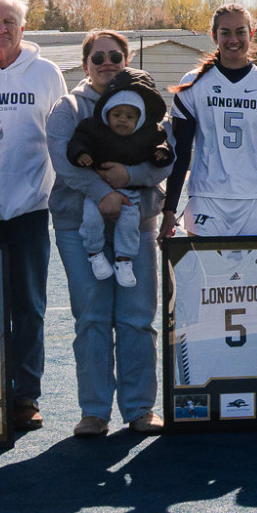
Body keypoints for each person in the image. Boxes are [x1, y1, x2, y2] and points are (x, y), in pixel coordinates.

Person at [48, 31, 174, 437]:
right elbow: (65, 165)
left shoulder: (149, 107)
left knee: (138, 318)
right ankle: (94, 411)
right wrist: (103, 193)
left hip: (136, 226)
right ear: (85, 65)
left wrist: (128, 176)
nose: (107, 62)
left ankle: (140, 408)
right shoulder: (67, 108)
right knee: (92, 319)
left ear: (126, 60)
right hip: (77, 226)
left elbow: (163, 162)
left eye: (115, 56)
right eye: (97, 57)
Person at [0, 0, 66, 431]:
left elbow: (61, 137)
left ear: (23, 27)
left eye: (8, 22)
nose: (0, 30)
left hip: (27, 210)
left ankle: (25, 394)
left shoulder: (45, 73)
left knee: (28, 307)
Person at [162, 4, 257, 239]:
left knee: (256, 275)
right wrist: (169, 210)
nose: (233, 39)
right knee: (205, 275)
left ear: (251, 34)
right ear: (214, 36)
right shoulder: (193, 83)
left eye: (240, 32)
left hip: (253, 198)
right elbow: (181, 151)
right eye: (225, 32)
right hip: (206, 197)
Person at [67, 69, 172, 285]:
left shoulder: (150, 133)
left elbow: (162, 147)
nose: (122, 120)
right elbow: (79, 141)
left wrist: (161, 154)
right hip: (97, 193)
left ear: (140, 118)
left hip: (130, 192)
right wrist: (81, 155)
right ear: (106, 114)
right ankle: (94, 253)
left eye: (129, 116)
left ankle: (124, 259)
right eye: (117, 115)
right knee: (91, 219)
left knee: (129, 223)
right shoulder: (94, 129)